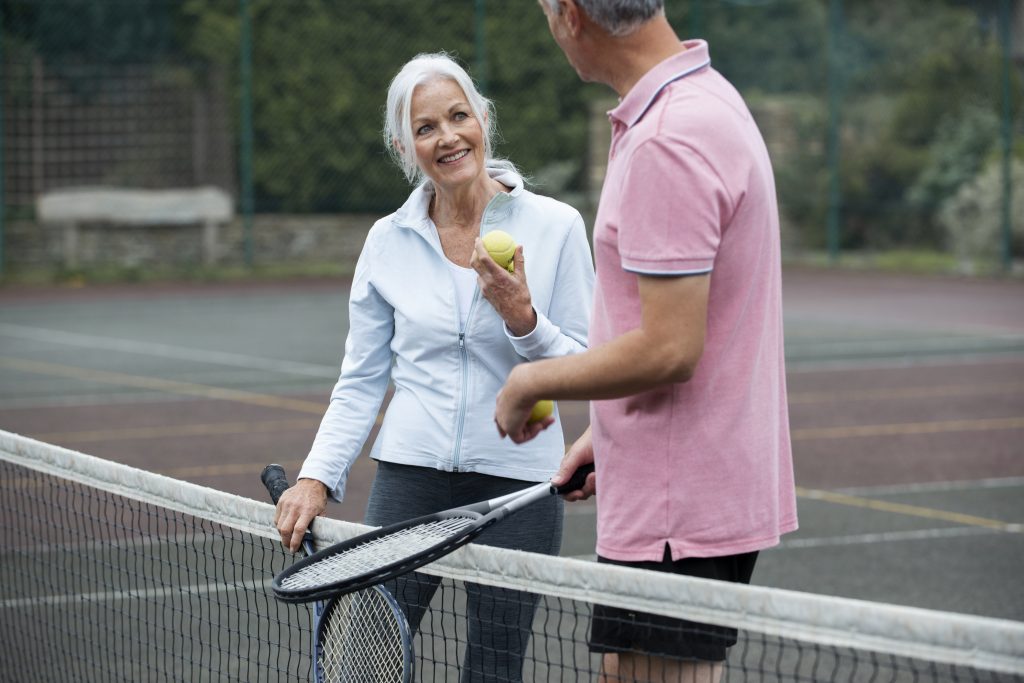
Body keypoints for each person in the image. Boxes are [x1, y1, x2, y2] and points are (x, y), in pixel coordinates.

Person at [495, 2, 798, 681]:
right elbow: (689, 325)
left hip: (677, 507)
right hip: (683, 488)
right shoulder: (705, 100)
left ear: (573, 15)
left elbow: (669, 348)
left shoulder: (669, 137)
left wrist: (530, 382)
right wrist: (607, 431)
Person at [273, 52, 594, 682]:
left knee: (494, 672)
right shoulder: (387, 240)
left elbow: (584, 365)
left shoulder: (557, 227)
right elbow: (362, 378)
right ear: (405, 146)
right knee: (365, 666)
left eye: (458, 116)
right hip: (409, 481)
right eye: (425, 128)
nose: (447, 136)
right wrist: (316, 477)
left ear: (482, 121)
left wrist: (523, 320)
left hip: (519, 487)